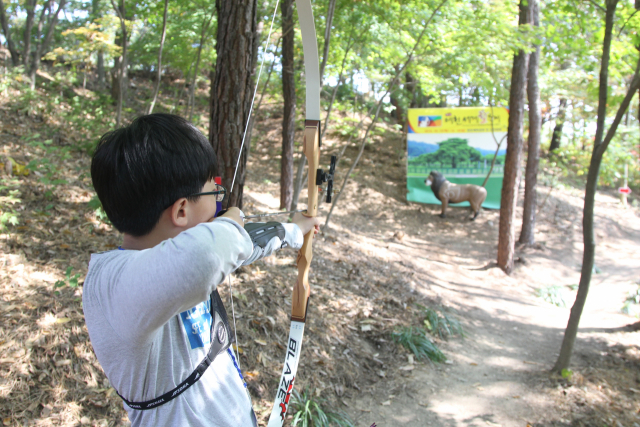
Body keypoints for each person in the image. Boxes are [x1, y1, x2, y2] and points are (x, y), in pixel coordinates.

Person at [83, 114, 320, 427]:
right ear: (181, 210)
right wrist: (231, 219)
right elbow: (210, 252)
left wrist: (293, 231)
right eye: (214, 194)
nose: (220, 202)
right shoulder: (112, 286)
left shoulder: (172, 260)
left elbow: (237, 247)